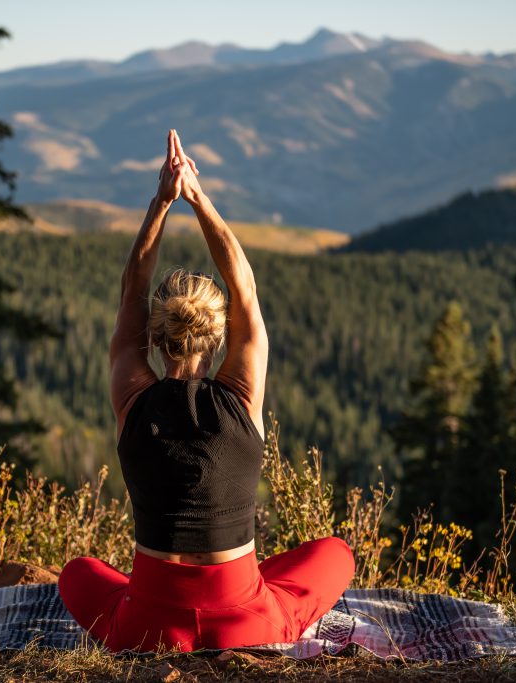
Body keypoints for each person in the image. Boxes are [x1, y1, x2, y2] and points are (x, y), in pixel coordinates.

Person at [58, 130, 355, 652]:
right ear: (219, 336)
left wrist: (161, 202)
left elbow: (133, 289)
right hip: (245, 620)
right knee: (336, 554)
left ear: (154, 335)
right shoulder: (241, 399)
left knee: (77, 572)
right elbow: (244, 286)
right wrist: (197, 196)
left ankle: (143, 606)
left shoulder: (132, 398)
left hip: (147, 623)